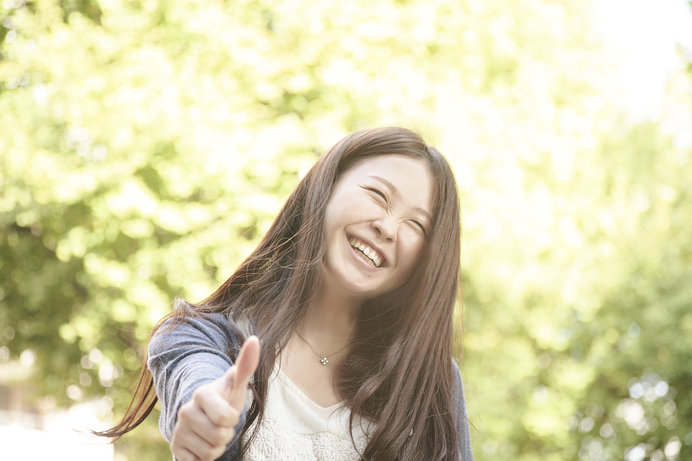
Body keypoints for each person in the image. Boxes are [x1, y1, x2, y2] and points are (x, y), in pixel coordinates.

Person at [97, 127, 473, 460]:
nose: (388, 227)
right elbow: (200, 384)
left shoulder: (429, 380)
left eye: (416, 225)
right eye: (377, 194)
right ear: (326, 190)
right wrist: (206, 414)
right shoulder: (200, 338)